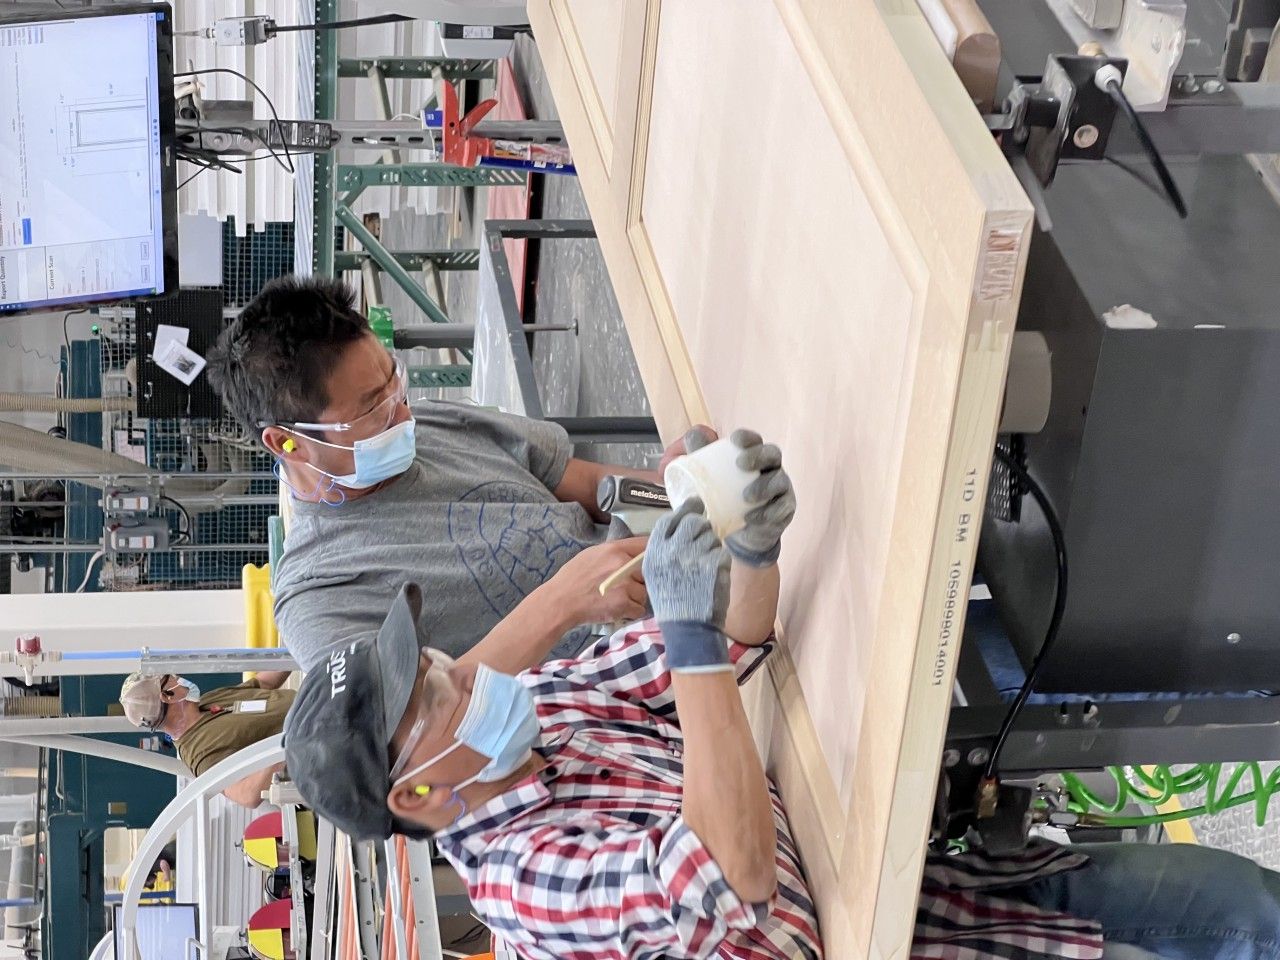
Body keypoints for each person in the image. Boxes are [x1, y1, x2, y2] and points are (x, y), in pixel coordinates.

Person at [283, 435, 816, 959]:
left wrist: (750, 546)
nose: (465, 676)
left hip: (824, 851)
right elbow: (731, 872)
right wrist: (688, 632)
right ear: (415, 796)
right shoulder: (522, 884)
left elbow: (734, 638)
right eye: (434, 699)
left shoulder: (540, 704)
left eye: (436, 662)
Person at [205, 276, 762, 672]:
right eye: (373, 410)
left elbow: (588, 485)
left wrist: (673, 483)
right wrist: (564, 602)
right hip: (644, 678)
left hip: (700, 580)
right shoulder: (321, 597)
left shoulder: (427, 425)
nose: (402, 414)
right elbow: (417, 745)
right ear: (286, 442)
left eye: (395, 385)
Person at [120, 672, 294, 809]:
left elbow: (263, 684)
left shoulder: (206, 702)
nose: (178, 678)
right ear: (167, 696)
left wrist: (293, 646)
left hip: (313, 703)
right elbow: (247, 795)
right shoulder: (200, 754)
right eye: (171, 678)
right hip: (312, 737)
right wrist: (285, 744)